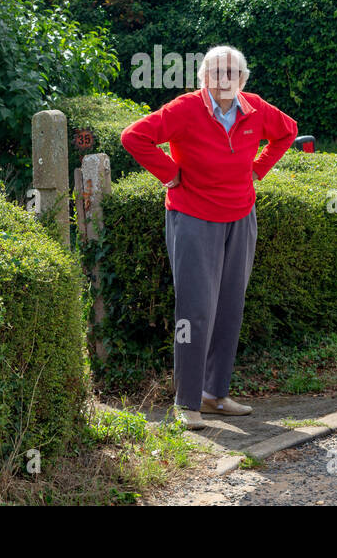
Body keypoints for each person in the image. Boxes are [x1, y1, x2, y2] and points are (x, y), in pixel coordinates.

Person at [120, 45, 298, 429]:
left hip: (241, 217)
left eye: (232, 72)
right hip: (193, 217)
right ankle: (187, 402)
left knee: (230, 307)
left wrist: (259, 169)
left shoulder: (255, 109)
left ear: (243, 79)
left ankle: (215, 396)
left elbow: (288, 132)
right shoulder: (184, 109)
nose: (224, 78)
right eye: (216, 72)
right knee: (196, 311)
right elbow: (134, 137)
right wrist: (169, 173)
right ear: (203, 78)